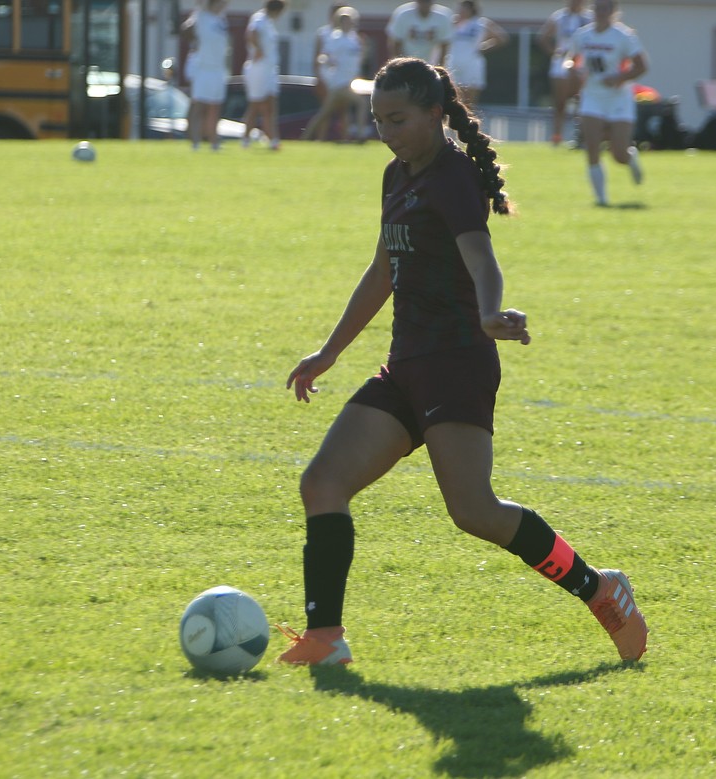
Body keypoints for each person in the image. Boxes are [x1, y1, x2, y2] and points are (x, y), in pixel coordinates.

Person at [276, 56, 649, 667]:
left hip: (456, 365)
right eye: (377, 119)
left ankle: (600, 589)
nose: (385, 131)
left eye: (397, 119)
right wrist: (329, 351)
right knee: (322, 483)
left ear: (434, 113)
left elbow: (482, 259)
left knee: (474, 511)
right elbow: (382, 270)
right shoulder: (396, 174)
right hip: (406, 367)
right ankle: (326, 639)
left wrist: (488, 313)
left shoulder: (451, 178)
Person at [565, 0, 647, 206]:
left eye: (606, 8)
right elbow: (572, 60)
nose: (601, 12)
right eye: (598, 8)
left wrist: (619, 78)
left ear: (613, 11)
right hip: (592, 95)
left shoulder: (624, 36)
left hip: (618, 97)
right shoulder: (582, 35)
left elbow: (642, 66)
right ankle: (601, 198)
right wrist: (573, 70)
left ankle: (630, 158)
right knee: (592, 146)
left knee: (618, 154)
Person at [302, 6, 365, 142]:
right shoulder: (335, 38)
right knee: (361, 104)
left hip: (348, 82)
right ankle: (360, 136)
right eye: (345, 21)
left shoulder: (354, 39)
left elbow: (358, 58)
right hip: (338, 83)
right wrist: (326, 63)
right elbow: (324, 56)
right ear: (340, 22)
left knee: (326, 113)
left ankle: (306, 137)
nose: (349, 23)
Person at [538, 0, 593, 145]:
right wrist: (554, 52)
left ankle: (581, 136)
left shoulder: (589, 18)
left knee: (582, 101)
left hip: (583, 63)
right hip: (561, 63)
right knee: (560, 102)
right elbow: (543, 37)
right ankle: (557, 136)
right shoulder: (559, 17)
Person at [180, 0, 230, 151]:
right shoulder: (201, 15)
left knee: (215, 107)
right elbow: (185, 28)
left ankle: (214, 141)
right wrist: (194, 40)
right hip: (204, 68)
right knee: (199, 106)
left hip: (218, 69)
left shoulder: (221, 19)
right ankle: (195, 142)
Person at [445, 0, 509, 110]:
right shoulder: (452, 23)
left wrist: (484, 47)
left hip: (472, 63)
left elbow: (502, 38)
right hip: (453, 63)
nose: (461, 11)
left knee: (470, 101)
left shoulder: (481, 23)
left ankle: (468, 124)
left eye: (464, 8)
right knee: (453, 97)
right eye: (460, 8)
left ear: (471, 9)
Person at [241, 0, 286, 150]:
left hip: (270, 69)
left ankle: (272, 139)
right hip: (258, 68)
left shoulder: (270, 23)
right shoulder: (259, 18)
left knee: (271, 105)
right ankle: (246, 139)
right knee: (256, 105)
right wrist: (258, 49)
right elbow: (252, 33)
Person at [386, 0, 452, 65]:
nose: (424, 4)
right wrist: (400, 64)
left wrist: (439, 66)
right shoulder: (403, 14)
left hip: (430, 63)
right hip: (406, 61)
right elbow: (396, 42)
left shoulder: (443, 17)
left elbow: (444, 45)